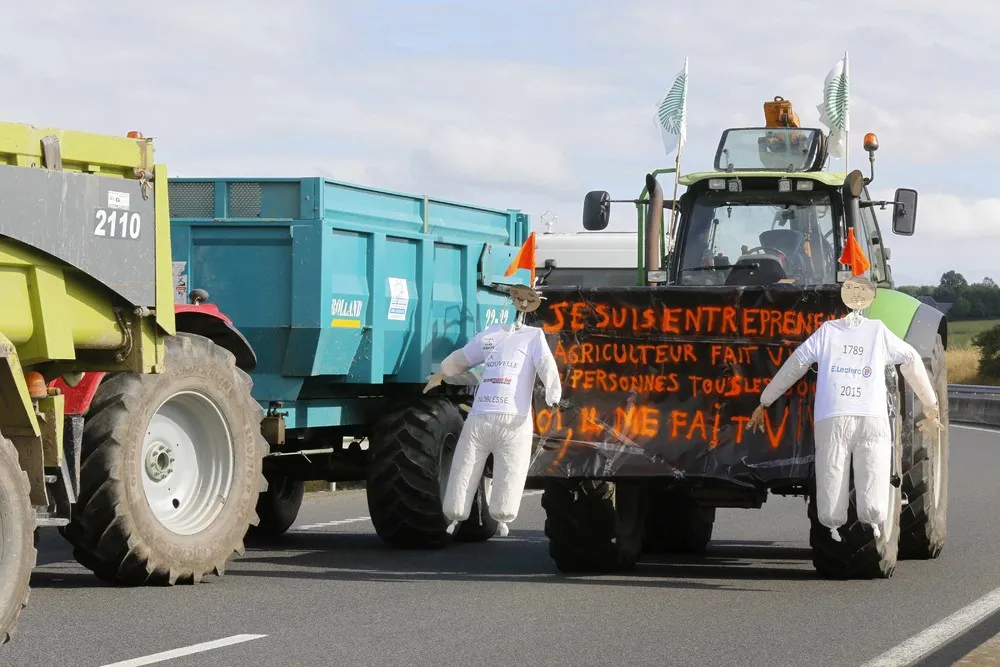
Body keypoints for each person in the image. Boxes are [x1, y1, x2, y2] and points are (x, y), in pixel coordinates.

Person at [746, 277, 943, 542]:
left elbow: (797, 363)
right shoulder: (879, 331)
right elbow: (910, 358)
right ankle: (874, 520)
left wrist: (765, 400)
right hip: (872, 416)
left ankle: (833, 524)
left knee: (832, 469)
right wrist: (931, 405)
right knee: (873, 467)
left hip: (832, 415)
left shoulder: (827, 331)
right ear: (871, 298)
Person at [425, 283, 562, 538]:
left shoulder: (529, 336)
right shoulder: (495, 336)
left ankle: (493, 516)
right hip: (500, 419)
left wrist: (443, 371)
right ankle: (465, 514)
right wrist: (443, 372)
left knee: (481, 467)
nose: (521, 304)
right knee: (491, 467)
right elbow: (463, 359)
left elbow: (545, 365)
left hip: (499, 419)